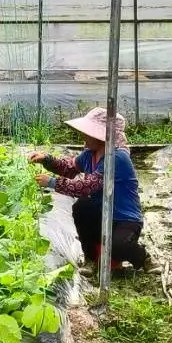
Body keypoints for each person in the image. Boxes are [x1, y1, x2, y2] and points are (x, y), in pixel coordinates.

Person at [30, 106, 148, 271]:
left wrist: (52, 183)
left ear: (101, 136)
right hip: (102, 214)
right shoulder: (89, 155)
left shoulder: (116, 157)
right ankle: (92, 259)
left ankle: (143, 257)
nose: (84, 136)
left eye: (88, 132)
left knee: (118, 246)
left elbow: (88, 186)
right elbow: (69, 168)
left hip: (124, 219)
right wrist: (47, 160)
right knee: (82, 207)